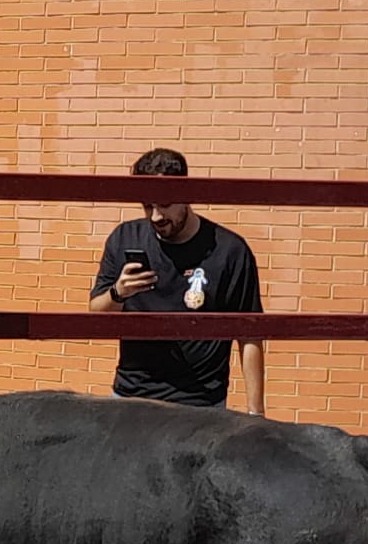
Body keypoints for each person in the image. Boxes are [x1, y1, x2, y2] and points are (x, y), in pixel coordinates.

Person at [90, 147, 265, 415]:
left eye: (165, 204)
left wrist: (256, 414)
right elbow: (95, 314)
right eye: (148, 206)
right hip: (131, 399)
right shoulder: (125, 237)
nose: (157, 216)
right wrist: (118, 293)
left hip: (199, 406)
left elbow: (250, 335)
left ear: (186, 194)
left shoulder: (230, 251)